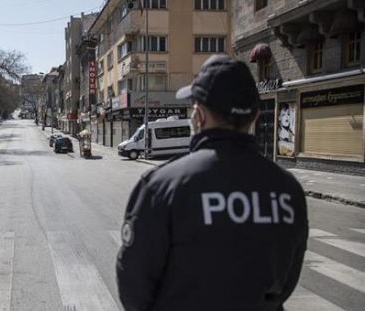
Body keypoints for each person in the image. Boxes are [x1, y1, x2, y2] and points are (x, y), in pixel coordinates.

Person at [116, 55, 308, 311]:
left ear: (199, 116)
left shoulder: (162, 186)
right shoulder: (288, 189)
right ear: (253, 116)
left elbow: (134, 285)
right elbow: (285, 283)